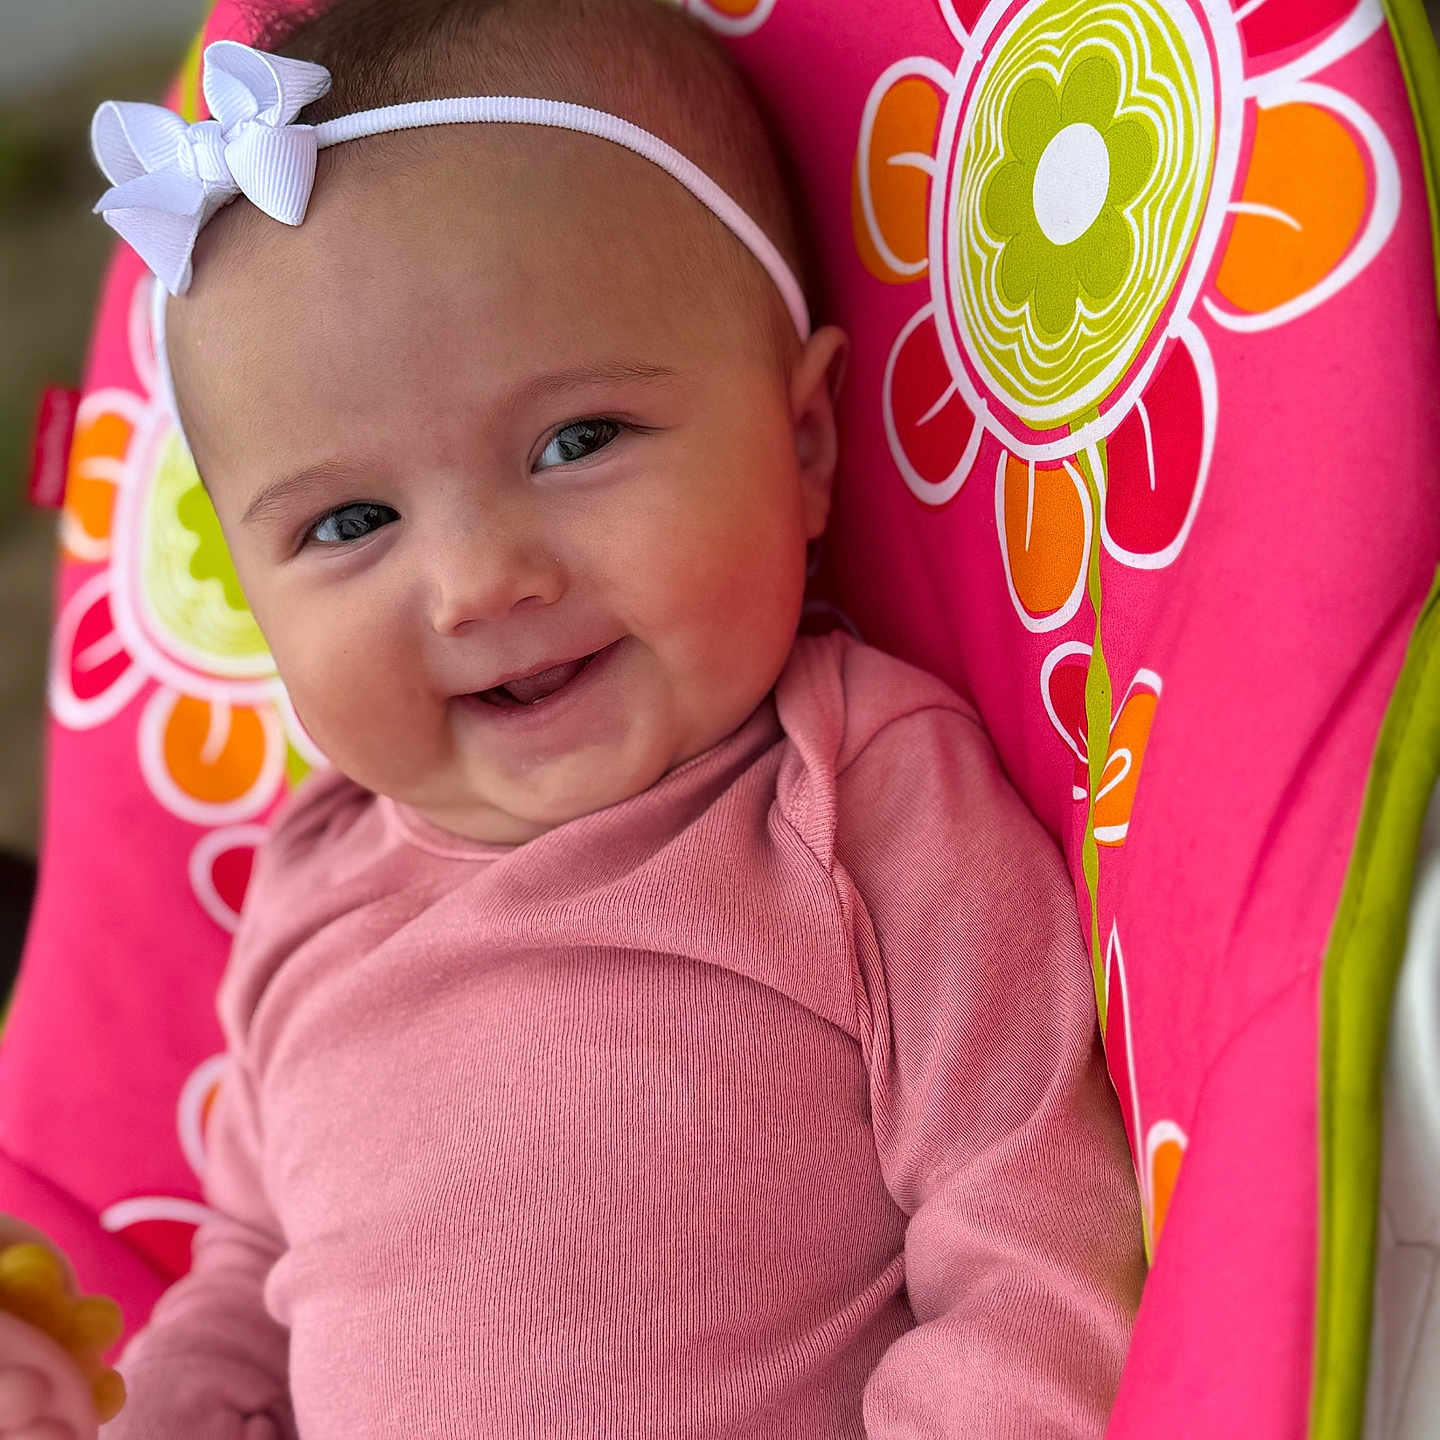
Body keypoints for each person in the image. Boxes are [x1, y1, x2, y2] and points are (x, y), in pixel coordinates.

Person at [0, 0, 1145, 1434]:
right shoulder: (307, 887)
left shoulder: (853, 791)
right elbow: (250, 1269)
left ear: (804, 444)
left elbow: (1033, 1242)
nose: (481, 583)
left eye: (576, 441)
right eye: (352, 521)